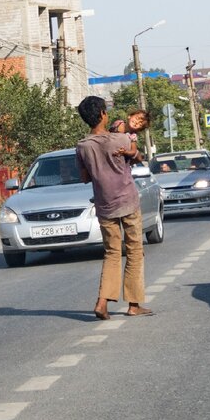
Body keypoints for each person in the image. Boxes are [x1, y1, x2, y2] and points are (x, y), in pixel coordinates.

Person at [75, 96, 153, 320]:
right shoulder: (121, 139)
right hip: (127, 201)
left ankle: (102, 302)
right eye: (105, 110)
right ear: (102, 114)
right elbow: (138, 158)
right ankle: (134, 305)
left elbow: (84, 178)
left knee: (111, 253)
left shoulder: (82, 146)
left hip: (104, 205)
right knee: (135, 251)